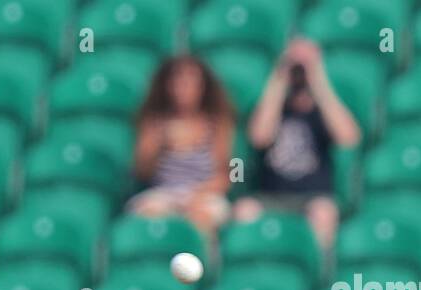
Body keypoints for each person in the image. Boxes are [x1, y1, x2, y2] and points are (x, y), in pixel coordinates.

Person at [235, 38, 362, 251]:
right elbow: (259, 137)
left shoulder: (323, 110)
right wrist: (279, 78)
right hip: (271, 196)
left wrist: (318, 79)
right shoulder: (274, 106)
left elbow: (348, 138)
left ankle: (318, 273)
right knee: (244, 210)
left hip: (313, 197)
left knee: (324, 213)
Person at [126, 55, 236, 239]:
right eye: (178, 82)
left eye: (191, 82)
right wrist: (157, 141)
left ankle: (204, 262)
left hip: (203, 195)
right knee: (146, 215)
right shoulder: (154, 122)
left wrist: (196, 196)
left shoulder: (218, 125)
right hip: (164, 193)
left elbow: (227, 175)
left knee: (201, 219)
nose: (184, 88)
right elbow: (141, 171)